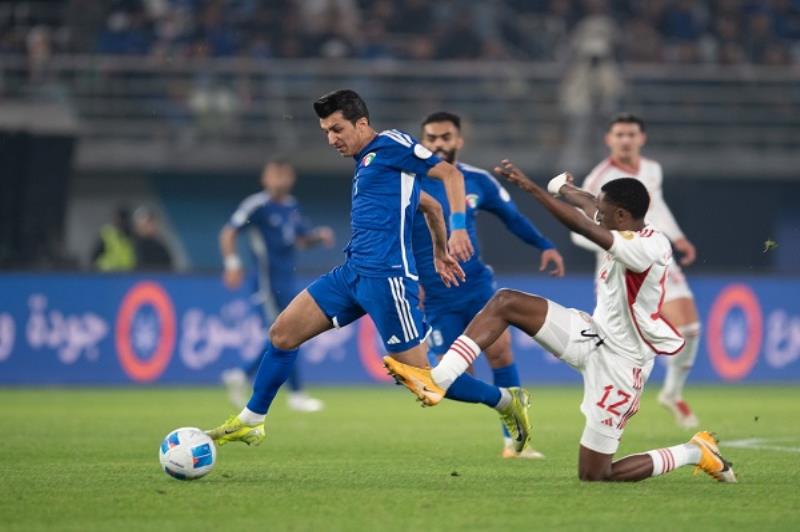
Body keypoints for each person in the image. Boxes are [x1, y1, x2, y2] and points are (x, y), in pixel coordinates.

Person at [206, 89, 532, 449]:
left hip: (388, 279)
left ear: (362, 123)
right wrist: (439, 250)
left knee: (426, 380)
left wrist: (456, 230)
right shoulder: (368, 162)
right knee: (282, 333)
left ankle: (506, 401)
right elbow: (429, 207)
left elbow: (450, 176)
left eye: (337, 129)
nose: (332, 139)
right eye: (326, 132)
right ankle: (252, 421)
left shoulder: (391, 143)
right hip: (352, 273)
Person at [385, 164, 736, 483]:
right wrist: (563, 187)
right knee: (506, 302)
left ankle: (694, 452)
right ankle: (438, 379)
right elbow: (588, 205)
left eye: (604, 212)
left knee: (596, 474)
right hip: (592, 335)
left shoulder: (644, 249)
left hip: (622, 365)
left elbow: (582, 222)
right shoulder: (622, 221)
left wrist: (533, 191)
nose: (597, 214)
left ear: (622, 215)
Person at [414, 111, 565, 459]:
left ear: (458, 140)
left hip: (477, 286)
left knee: (501, 353)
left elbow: (512, 218)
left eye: (445, 137)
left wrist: (544, 245)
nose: (439, 143)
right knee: (445, 377)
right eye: (432, 138)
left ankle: (515, 443)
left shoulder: (478, 180)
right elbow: (395, 237)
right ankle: (505, 403)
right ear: (423, 142)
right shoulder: (410, 182)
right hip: (435, 295)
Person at [572, 113, 701, 429]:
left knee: (691, 328)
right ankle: (605, 402)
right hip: (621, 267)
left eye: (631, 134)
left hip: (655, 256)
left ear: (641, 139)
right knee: (615, 343)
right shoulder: (598, 178)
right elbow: (578, 232)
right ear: (609, 140)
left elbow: (657, 207)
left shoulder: (652, 170)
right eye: (619, 135)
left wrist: (679, 236)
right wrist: (620, 245)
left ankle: (671, 393)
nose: (625, 140)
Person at [219, 159, 334, 412]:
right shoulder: (257, 205)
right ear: (265, 178)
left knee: (290, 334)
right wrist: (232, 263)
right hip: (266, 283)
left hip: (287, 281)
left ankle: (242, 375)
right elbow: (229, 232)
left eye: (285, 174)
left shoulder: (292, 207)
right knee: (286, 334)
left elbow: (302, 240)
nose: (280, 180)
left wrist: (318, 236)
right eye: (275, 174)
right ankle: (294, 393)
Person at [91, 206, 136, 271]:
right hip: (106, 275)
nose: (122, 222)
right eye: (118, 219)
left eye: (124, 219)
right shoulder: (107, 234)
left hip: (126, 275)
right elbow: (94, 257)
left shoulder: (132, 236)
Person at [132, 205, 174, 271]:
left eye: (150, 222)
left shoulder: (160, 246)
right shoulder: (131, 245)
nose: (148, 226)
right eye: (144, 224)